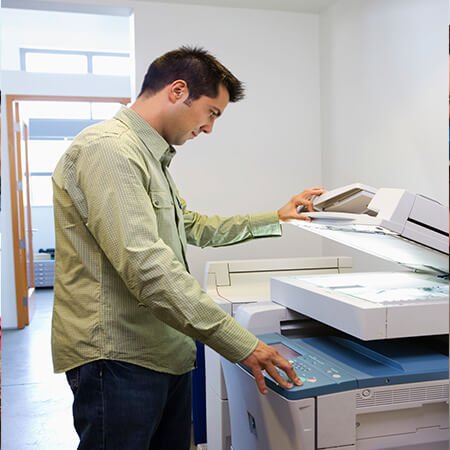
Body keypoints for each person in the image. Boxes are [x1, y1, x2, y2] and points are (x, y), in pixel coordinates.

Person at [51, 46, 324, 450]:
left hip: (165, 349)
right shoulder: (109, 150)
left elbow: (191, 225)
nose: (210, 128)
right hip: (120, 357)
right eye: (212, 113)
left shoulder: (150, 157)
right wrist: (242, 344)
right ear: (178, 91)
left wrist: (276, 217)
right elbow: (147, 267)